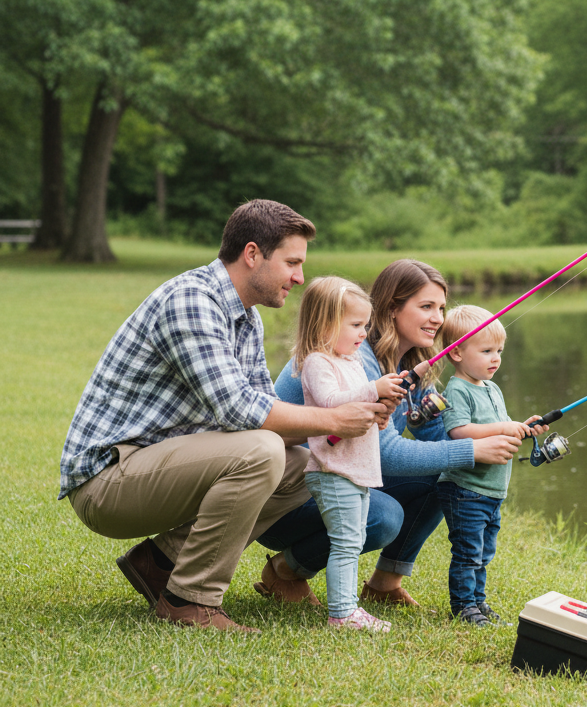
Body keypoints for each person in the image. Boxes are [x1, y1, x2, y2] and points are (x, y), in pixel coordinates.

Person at [59, 199, 390, 632]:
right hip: (108, 480)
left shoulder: (246, 318)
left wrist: (355, 414)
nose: (300, 277)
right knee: (264, 450)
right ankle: (188, 601)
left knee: (301, 460)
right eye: (291, 262)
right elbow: (240, 410)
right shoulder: (194, 300)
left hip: (156, 465)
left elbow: (264, 408)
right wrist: (333, 421)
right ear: (252, 254)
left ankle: (161, 563)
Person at [274, 259, 524, 606]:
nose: (438, 318)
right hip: (288, 489)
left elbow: (437, 436)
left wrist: (495, 432)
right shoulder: (352, 353)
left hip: (337, 468)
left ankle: (384, 585)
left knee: (443, 475)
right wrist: (472, 452)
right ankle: (285, 571)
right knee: (382, 516)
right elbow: (383, 452)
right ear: (392, 308)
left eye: (440, 307)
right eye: (426, 307)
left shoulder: (410, 361)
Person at [295, 276, 404, 631]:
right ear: (325, 323)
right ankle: (342, 614)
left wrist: (379, 414)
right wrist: (373, 388)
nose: (363, 333)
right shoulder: (317, 362)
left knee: (352, 541)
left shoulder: (352, 359)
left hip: (355, 469)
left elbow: (359, 410)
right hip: (331, 470)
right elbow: (330, 404)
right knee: (344, 543)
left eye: (366, 325)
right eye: (356, 324)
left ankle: (347, 610)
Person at [435, 306, 546, 625]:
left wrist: (522, 427)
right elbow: (459, 432)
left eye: (498, 350)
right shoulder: (457, 388)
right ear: (456, 352)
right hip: (465, 489)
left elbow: (499, 425)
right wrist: (503, 428)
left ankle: (478, 602)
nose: (495, 358)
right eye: (486, 351)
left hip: (492, 491)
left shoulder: (491, 387)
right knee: (468, 552)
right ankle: (464, 606)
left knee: (483, 553)